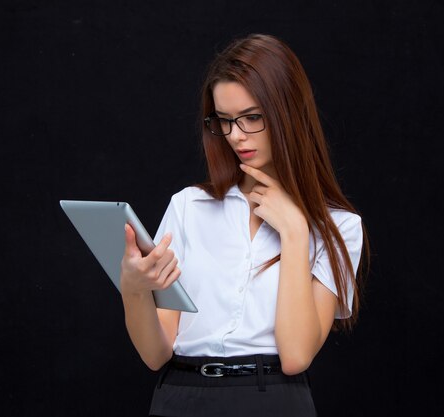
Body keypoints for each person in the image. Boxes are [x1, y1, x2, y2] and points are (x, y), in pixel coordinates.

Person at [119, 34, 368, 417]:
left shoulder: (339, 227)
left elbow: (296, 356)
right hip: (179, 396)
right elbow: (156, 354)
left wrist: (296, 231)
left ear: (288, 113)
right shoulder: (190, 207)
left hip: (273, 400)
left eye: (252, 117)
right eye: (224, 120)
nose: (236, 135)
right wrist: (133, 290)